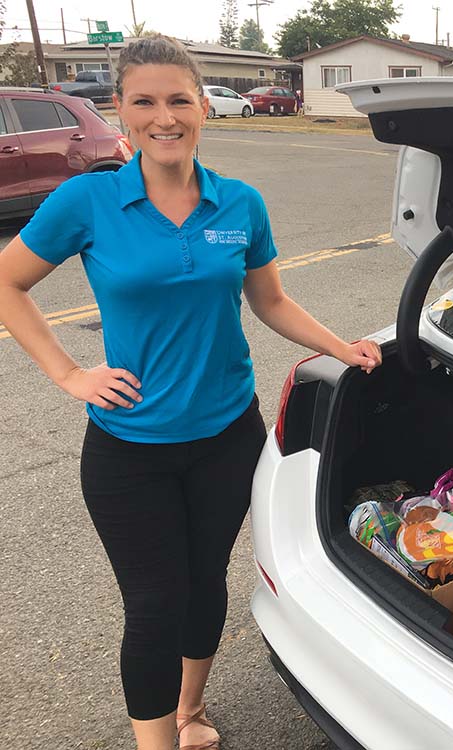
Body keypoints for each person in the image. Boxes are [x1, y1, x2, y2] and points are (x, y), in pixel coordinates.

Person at [0, 35, 381, 750]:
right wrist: (68, 372)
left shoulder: (240, 203)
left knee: (205, 584)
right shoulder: (89, 199)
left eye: (179, 99)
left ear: (204, 107)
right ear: (120, 110)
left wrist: (340, 346)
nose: (163, 116)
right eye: (144, 101)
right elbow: (7, 282)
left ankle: (191, 711)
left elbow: (269, 300)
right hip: (128, 448)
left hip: (226, 439)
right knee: (153, 605)